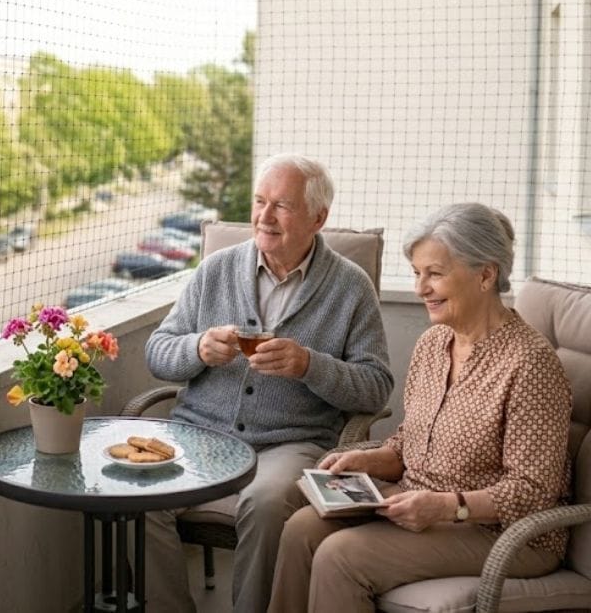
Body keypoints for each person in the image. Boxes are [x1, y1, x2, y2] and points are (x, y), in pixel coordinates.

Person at [268, 202, 573, 613]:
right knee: (300, 530)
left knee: (340, 556)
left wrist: (448, 506)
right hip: (417, 500)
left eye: (435, 274)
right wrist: (372, 459)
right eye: (416, 274)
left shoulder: (529, 364)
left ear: (486, 274)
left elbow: (533, 492)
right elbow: (414, 439)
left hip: (502, 531)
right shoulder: (434, 344)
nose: (420, 288)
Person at [144, 153, 395, 613]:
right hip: (200, 437)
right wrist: (198, 348)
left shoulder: (350, 287)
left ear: (319, 217)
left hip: (291, 443)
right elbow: (157, 352)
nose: (264, 216)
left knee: (264, 501)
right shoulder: (215, 269)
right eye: (259, 202)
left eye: (282, 205)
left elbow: (376, 387)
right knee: (141, 495)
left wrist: (310, 366)